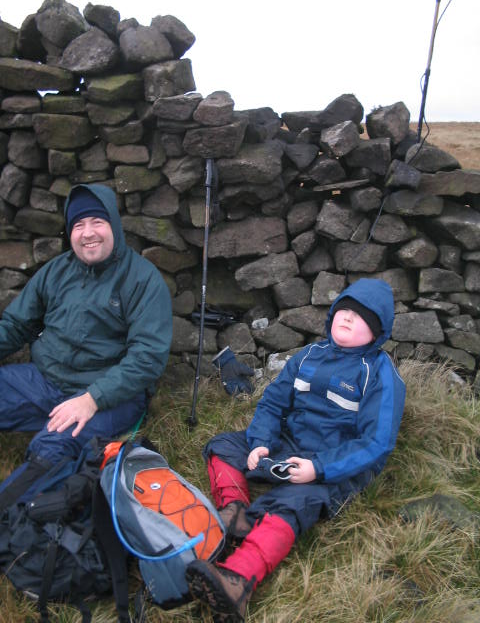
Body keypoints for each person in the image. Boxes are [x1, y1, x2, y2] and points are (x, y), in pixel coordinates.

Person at [186, 278, 406, 622]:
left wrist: (317, 469)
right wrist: (260, 442)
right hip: (288, 445)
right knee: (223, 445)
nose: (347, 318)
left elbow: (376, 443)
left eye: (360, 317)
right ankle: (235, 513)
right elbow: (273, 402)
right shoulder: (309, 355)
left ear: (376, 333)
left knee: (294, 501)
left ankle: (237, 580)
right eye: (343, 310)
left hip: (334, 466)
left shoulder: (381, 375)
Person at [0, 183, 172, 506]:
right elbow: (15, 325)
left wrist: (92, 399)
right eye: (78, 224)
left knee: (52, 449)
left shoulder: (143, 280)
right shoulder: (56, 271)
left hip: (108, 397)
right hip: (44, 382)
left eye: (97, 222)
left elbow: (147, 358)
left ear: (114, 226)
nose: (87, 233)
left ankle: (11, 516)